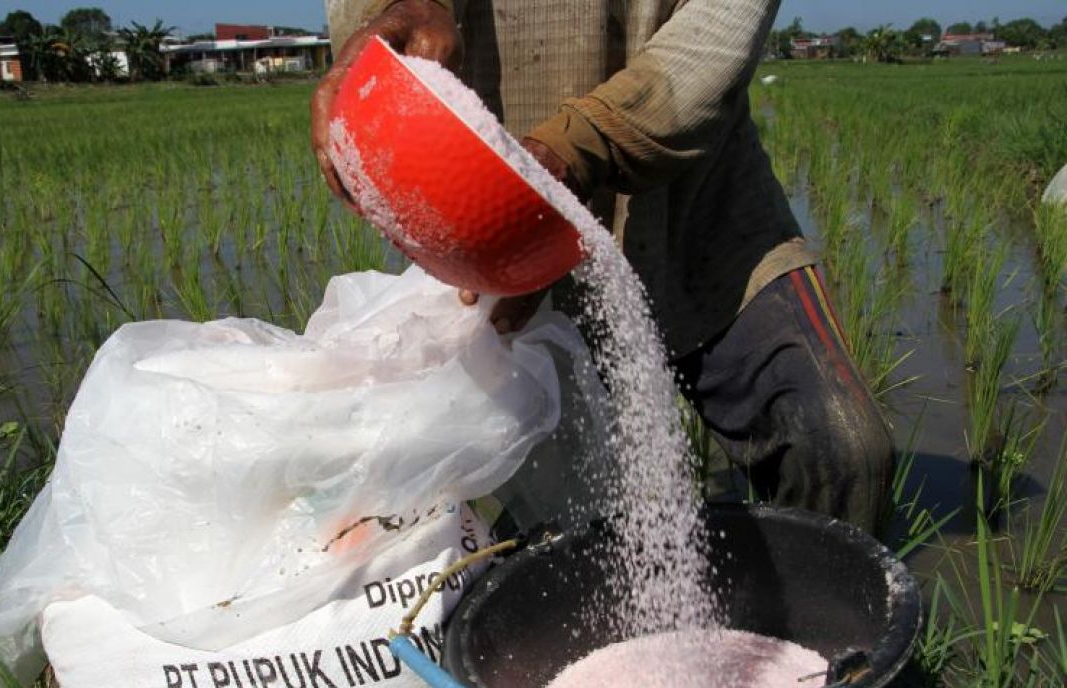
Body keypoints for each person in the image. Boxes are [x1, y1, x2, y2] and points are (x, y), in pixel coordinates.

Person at [311, 0, 894, 535]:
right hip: (498, 217)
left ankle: (815, 612)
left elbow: (718, 31)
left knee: (843, 450)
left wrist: (572, 153)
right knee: (561, 522)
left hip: (701, 209)